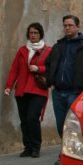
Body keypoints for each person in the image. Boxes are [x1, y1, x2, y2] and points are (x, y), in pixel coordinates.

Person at [4, 22, 51, 157]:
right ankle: (27, 146)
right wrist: (9, 86)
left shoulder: (48, 51)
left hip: (38, 90)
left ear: (40, 34)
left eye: (35, 33)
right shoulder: (22, 50)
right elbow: (14, 70)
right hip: (22, 90)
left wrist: (39, 69)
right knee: (24, 120)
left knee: (32, 118)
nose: (33, 35)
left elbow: (52, 69)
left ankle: (36, 146)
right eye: (31, 33)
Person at [44, 14, 83, 136]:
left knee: (73, 125)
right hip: (58, 92)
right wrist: (50, 82)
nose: (67, 28)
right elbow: (48, 64)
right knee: (60, 125)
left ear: (77, 27)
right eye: (65, 26)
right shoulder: (58, 46)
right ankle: (65, 150)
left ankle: (72, 153)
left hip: (75, 93)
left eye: (70, 25)